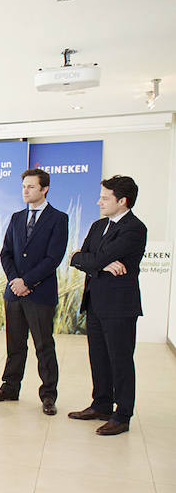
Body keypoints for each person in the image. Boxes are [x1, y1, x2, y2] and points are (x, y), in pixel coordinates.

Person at [68, 175, 147, 436]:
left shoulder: (134, 228)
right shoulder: (98, 225)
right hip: (95, 302)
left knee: (120, 360)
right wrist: (99, 263)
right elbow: (77, 257)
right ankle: (101, 404)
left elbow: (91, 257)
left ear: (122, 201)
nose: (98, 201)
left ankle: (122, 414)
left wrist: (93, 261)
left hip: (119, 306)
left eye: (104, 198)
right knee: (98, 357)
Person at [0, 169, 68, 416]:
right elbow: (6, 253)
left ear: (44, 189)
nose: (25, 190)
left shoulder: (58, 218)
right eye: (23, 186)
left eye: (31, 187)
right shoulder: (16, 217)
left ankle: (48, 395)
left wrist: (27, 282)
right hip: (14, 293)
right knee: (15, 344)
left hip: (39, 294)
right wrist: (14, 281)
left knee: (44, 345)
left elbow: (53, 257)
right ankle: (10, 387)